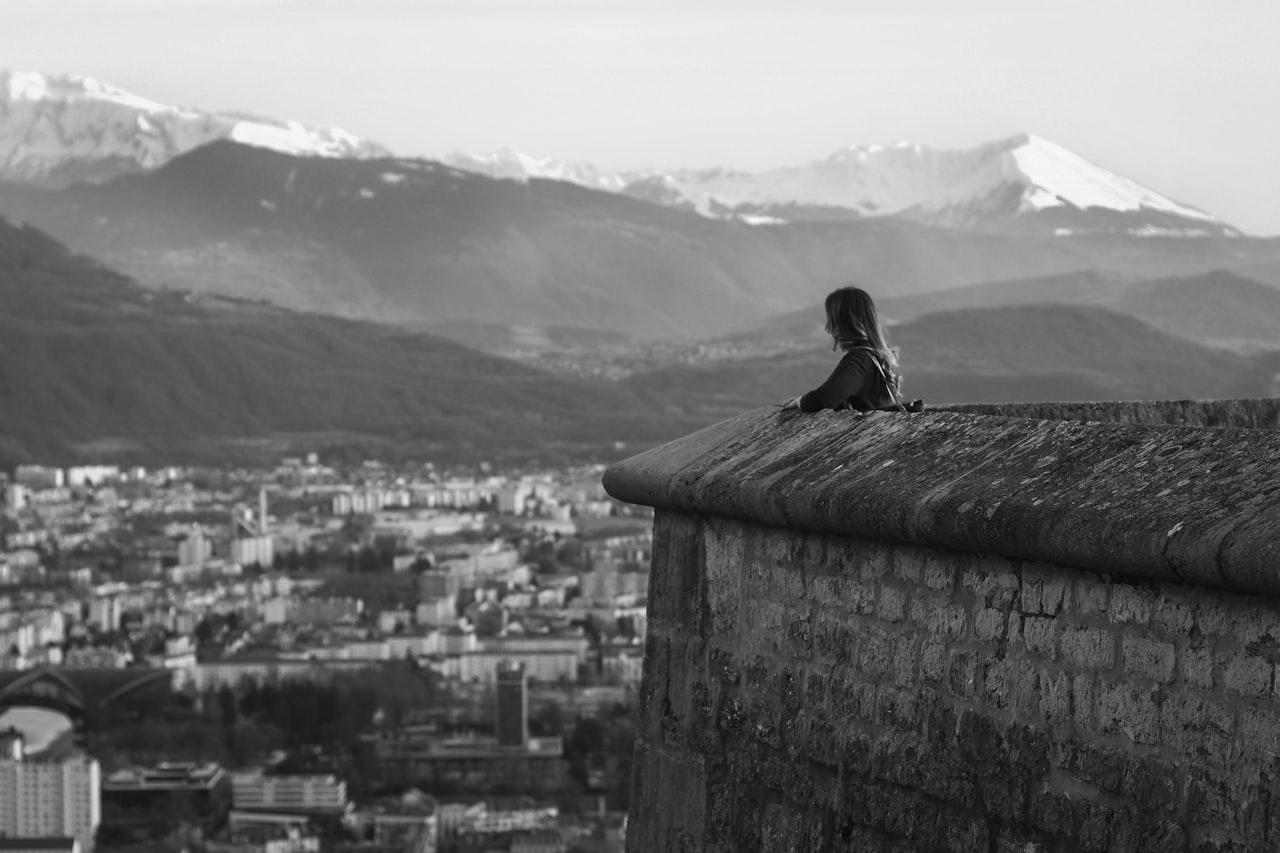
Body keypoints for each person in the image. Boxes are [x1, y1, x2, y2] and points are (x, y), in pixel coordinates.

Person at [779, 285, 903, 414]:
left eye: (832, 320)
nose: (829, 327)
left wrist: (801, 402)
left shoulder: (859, 359)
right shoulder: (876, 355)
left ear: (842, 323)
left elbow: (826, 399)